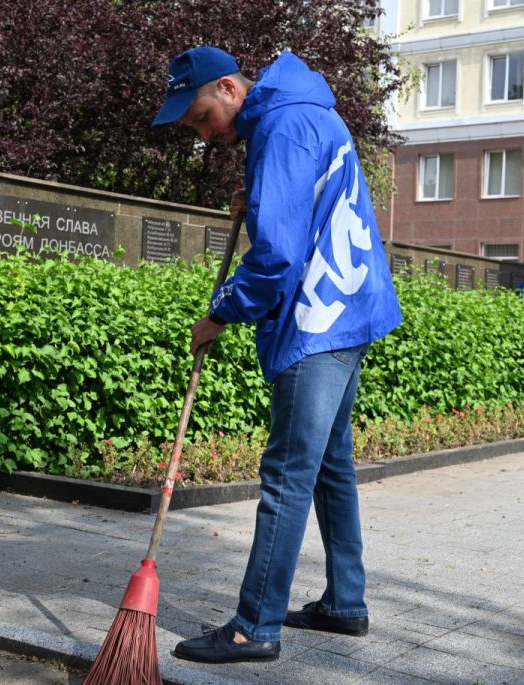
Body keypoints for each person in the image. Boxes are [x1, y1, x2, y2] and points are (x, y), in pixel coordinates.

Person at [151, 46, 402, 664]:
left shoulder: (284, 128)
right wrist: (259, 205)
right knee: (330, 467)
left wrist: (220, 314)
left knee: (288, 475)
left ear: (231, 89)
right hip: (350, 310)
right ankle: (345, 603)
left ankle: (254, 626)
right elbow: (297, 218)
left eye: (200, 116)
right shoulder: (300, 116)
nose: (203, 134)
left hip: (320, 321)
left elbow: (279, 260)